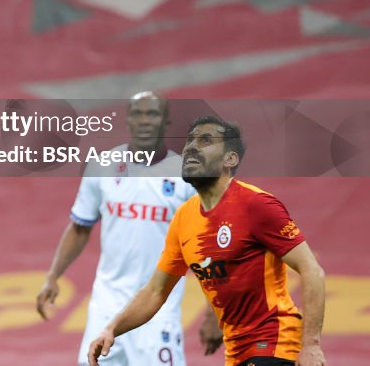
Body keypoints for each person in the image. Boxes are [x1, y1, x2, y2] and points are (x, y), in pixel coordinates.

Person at [88, 115, 327, 366]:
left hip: (273, 341)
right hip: (235, 352)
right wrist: (111, 329)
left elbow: (312, 270)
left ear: (229, 159)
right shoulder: (184, 218)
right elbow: (155, 292)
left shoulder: (256, 205)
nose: (191, 147)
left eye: (205, 140)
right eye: (189, 141)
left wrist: (311, 345)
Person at [36, 92, 221, 365]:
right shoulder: (102, 166)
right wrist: (53, 276)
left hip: (158, 310)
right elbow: (80, 228)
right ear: (128, 119)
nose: (145, 121)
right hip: (106, 308)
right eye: (138, 114)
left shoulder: (186, 177)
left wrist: (213, 313)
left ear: (166, 120)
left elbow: (208, 247)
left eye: (153, 114)